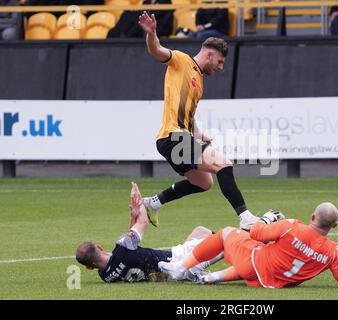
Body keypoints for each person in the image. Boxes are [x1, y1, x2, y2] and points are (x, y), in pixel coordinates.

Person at [138, 11, 259, 231]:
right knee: (223, 164)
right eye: (220, 61)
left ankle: (153, 203)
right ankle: (245, 216)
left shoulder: (199, 81)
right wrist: (152, 33)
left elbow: (188, 117)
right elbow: (156, 50)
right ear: (209, 54)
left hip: (174, 138)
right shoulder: (182, 61)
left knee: (203, 183)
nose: (221, 67)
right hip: (173, 137)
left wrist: (201, 135)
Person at [159, 202, 338, 289]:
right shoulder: (334, 252)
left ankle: (180, 268)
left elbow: (255, 232)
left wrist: (268, 218)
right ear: (335, 225)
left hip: (254, 265)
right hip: (272, 281)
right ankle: (209, 277)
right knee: (256, 255)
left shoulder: (292, 226)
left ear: (313, 216)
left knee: (226, 234)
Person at [75, 182, 222, 283]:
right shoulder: (123, 248)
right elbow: (144, 222)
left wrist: (133, 216)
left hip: (168, 274)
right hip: (179, 259)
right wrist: (139, 201)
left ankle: (197, 271)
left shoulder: (105, 276)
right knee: (226, 238)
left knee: (200, 231)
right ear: (99, 247)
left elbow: (128, 241)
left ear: (89, 267)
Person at [108, 0, 173, 39]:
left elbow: (162, 18)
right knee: (128, 14)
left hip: (159, 27)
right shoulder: (146, 2)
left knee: (137, 20)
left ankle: (124, 37)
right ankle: (117, 35)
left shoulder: (166, 2)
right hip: (145, 26)